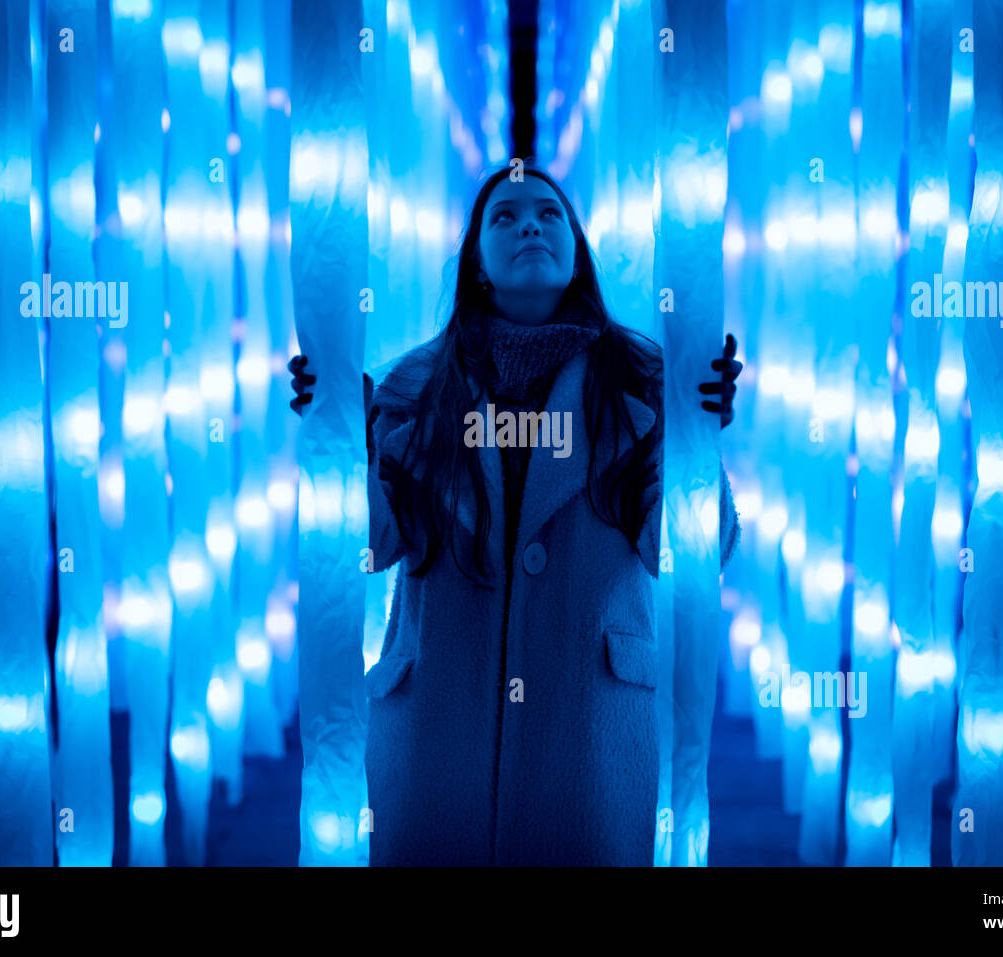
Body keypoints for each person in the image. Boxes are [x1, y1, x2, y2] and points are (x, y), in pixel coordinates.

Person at [286, 165, 742, 866]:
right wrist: (341, 435)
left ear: (576, 247)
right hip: (436, 735)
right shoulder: (414, 385)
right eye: (504, 216)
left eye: (548, 213)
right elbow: (370, 547)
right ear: (476, 260)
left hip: (590, 739)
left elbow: (697, 550)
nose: (529, 224)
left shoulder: (640, 380)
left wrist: (696, 440)